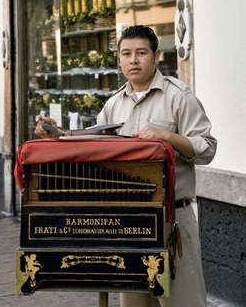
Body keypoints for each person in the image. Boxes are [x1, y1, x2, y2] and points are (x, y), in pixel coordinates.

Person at [35, 25, 217, 307]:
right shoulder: (114, 103)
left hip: (172, 221)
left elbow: (207, 148)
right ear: (119, 59)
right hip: (128, 223)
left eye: (141, 52)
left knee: (182, 301)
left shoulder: (179, 97)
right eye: (126, 53)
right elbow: (95, 143)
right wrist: (59, 136)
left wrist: (167, 136)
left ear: (156, 56)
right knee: (134, 302)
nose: (133, 60)